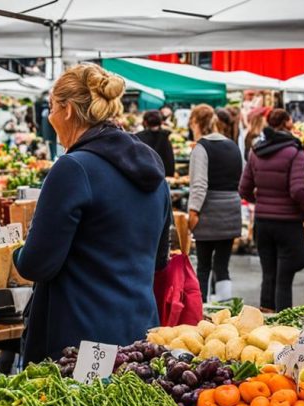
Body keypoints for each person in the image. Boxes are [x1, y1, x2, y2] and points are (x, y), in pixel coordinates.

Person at [13, 63, 171, 364]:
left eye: (50, 108)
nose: (50, 117)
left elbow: (36, 264)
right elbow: (159, 259)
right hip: (140, 335)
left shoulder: (73, 169)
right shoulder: (153, 169)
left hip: (79, 343)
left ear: (68, 109)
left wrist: (15, 253)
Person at [238, 109, 304, 311]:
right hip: (288, 221)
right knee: (285, 275)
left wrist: (261, 201)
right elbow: (298, 190)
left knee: (269, 272)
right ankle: (283, 322)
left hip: (263, 222)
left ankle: (265, 323)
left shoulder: (255, 151)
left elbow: (243, 189)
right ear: (288, 125)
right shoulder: (295, 153)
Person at [187, 104, 243, 302]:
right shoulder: (233, 146)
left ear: (196, 123)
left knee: (203, 266)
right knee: (222, 265)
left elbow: (199, 185)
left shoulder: (201, 147)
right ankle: (225, 309)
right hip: (231, 212)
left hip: (209, 213)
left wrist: (193, 212)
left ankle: (200, 311)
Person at [135, 110, 175, 177]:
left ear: (145, 122)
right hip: (163, 174)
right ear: (161, 122)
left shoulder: (138, 136)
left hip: (144, 174)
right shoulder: (166, 135)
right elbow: (169, 158)